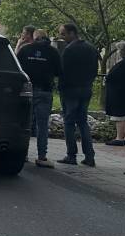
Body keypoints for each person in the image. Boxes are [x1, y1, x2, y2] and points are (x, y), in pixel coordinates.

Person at [17, 29, 63, 168]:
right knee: (42, 125)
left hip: (28, 91)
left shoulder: (25, 50)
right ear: (46, 37)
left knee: (25, 123)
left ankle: (23, 154)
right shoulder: (53, 52)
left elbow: (18, 69)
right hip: (45, 91)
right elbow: (59, 72)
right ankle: (42, 157)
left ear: (34, 37)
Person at [58, 23, 99, 167]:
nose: (61, 37)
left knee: (69, 122)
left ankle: (71, 155)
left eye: (63, 34)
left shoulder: (69, 50)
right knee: (82, 122)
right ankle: (89, 156)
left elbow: (63, 71)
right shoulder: (91, 48)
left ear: (72, 33)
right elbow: (95, 70)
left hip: (70, 91)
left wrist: (62, 88)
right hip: (86, 89)